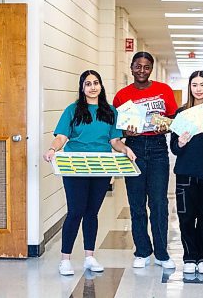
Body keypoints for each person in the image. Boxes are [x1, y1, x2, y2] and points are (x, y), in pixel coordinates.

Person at [43, 70, 136, 276]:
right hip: (75, 166)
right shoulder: (73, 110)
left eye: (96, 83)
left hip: (101, 166)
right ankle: (65, 259)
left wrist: (125, 149)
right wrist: (52, 149)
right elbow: (62, 136)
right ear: (82, 87)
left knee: (92, 213)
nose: (92, 87)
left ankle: (89, 256)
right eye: (88, 84)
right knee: (76, 211)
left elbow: (114, 141)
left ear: (101, 86)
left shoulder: (110, 111)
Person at [113, 51, 178, 269]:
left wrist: (166, 125)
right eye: (138, 66)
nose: (142, 70)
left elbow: (173, 118)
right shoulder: (121, 96)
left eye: (146, 67)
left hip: (159, 148)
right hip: (134, 149)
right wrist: (126, 133)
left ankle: (161, 252)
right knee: (137, 203)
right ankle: (142, 250)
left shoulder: (164, 90)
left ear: (151, 69)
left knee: (159, 202)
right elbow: (116, 128)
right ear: (131, 67)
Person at [169, 70, 203, 275]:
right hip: (185, 173)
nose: (198, 89)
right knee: (185, 217)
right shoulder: (181, 113)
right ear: (189, 88)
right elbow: (174, 148)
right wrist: (181, 142)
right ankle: (189, 256)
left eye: (202, 84)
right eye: (194, 85)